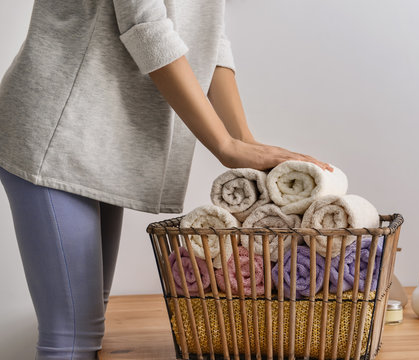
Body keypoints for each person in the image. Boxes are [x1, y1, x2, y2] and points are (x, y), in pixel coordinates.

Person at [0, 0, 332, 359]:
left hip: (103, 139)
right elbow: (146, 27)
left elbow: (208, 35)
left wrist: (244, 140)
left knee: (86, 328)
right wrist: (225, 144)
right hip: (56, 134)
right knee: (73, 338)